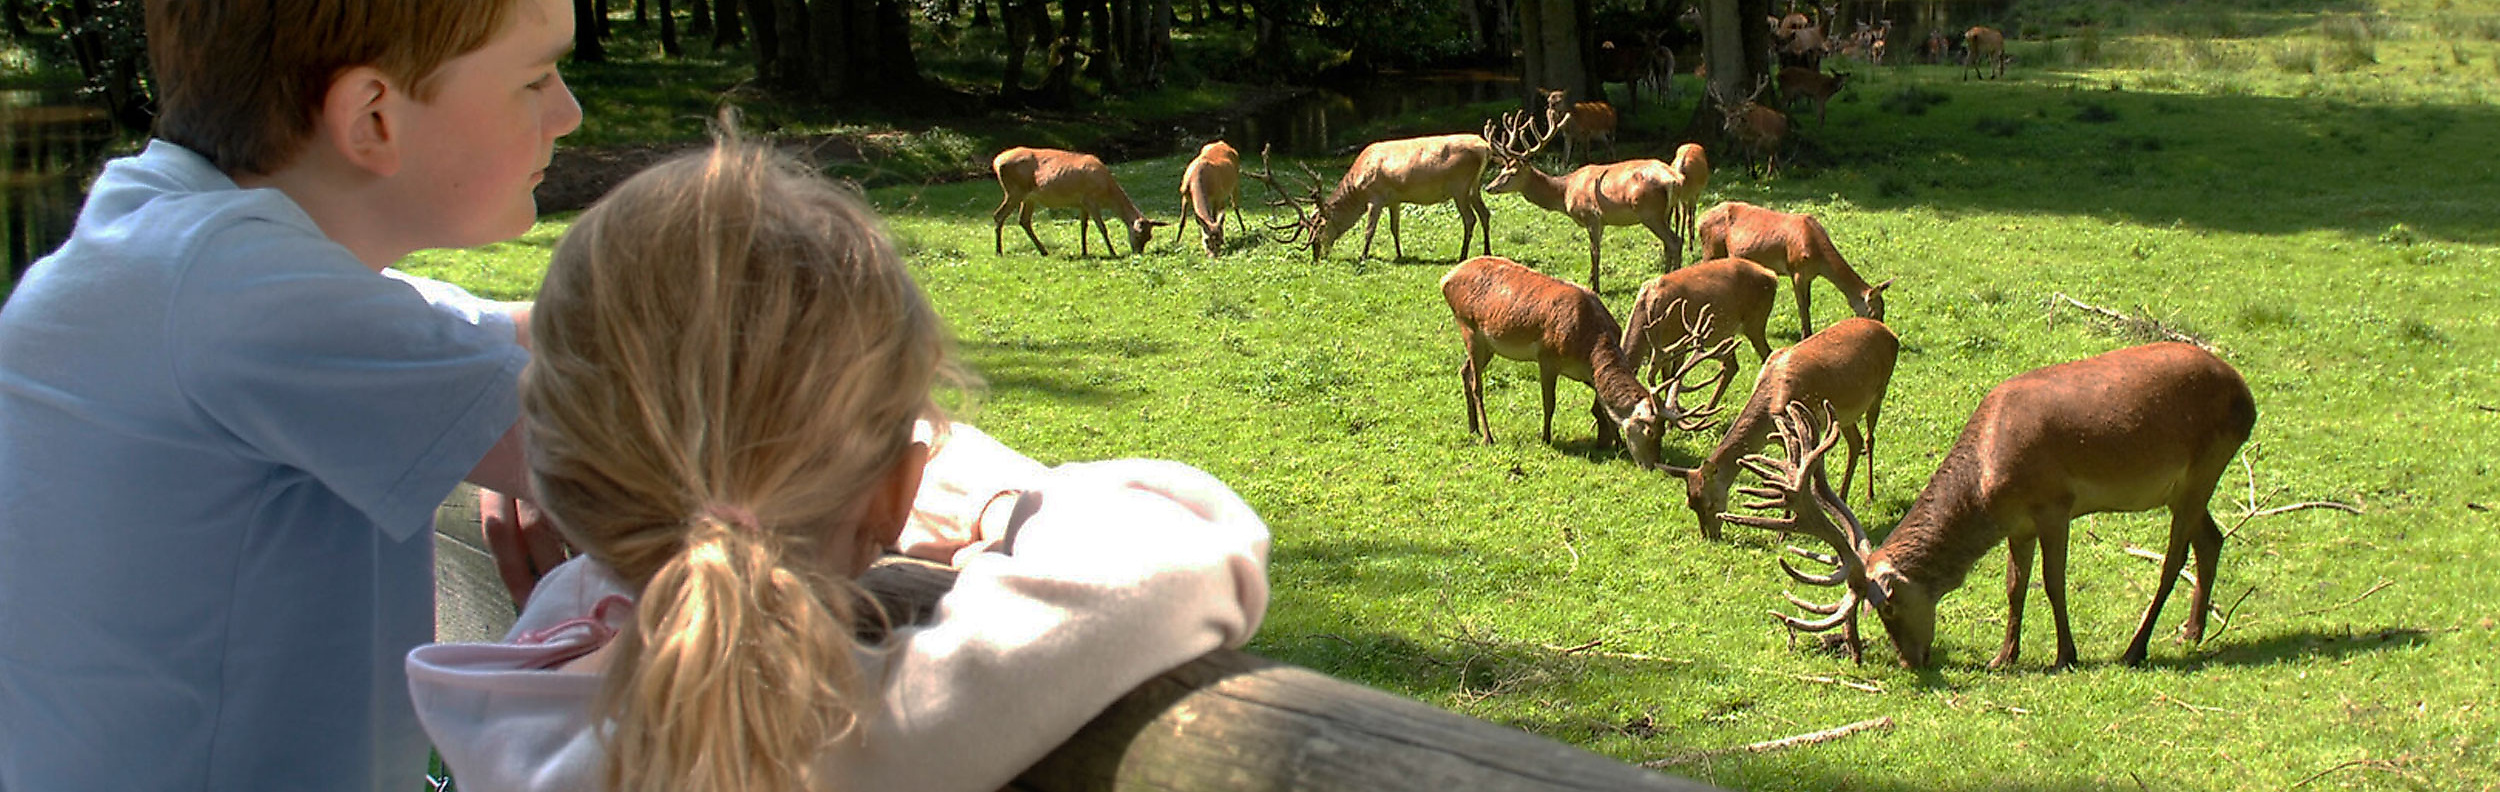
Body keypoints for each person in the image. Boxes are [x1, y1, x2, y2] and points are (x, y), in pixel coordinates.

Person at [407, 139, 1272, 792]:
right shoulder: (852, 734)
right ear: (896, 494)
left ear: (553, 479)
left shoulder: (519, 685)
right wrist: (990, 494)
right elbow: (1192, 550)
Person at [0, 0, 579, 789]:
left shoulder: (174, 246)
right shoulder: (236, 294)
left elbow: (533, 340)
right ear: (373, 117)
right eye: (537, 77)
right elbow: (637, 456)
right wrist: (559, 442)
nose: (568, 112)